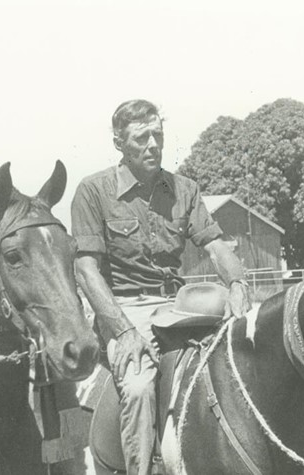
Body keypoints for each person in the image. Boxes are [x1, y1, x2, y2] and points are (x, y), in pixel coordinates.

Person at [71, 99, 251, 475]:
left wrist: (237, 283)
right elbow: (87, 271)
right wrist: (123, 331)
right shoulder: (93, 191)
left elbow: (215, 245)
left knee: (245, 360)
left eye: (158, 134)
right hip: (125, 308)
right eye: (142, 138)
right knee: (138, 387)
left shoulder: (184, 189)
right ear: (119, 143)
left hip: (180, 304)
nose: (153, 144)